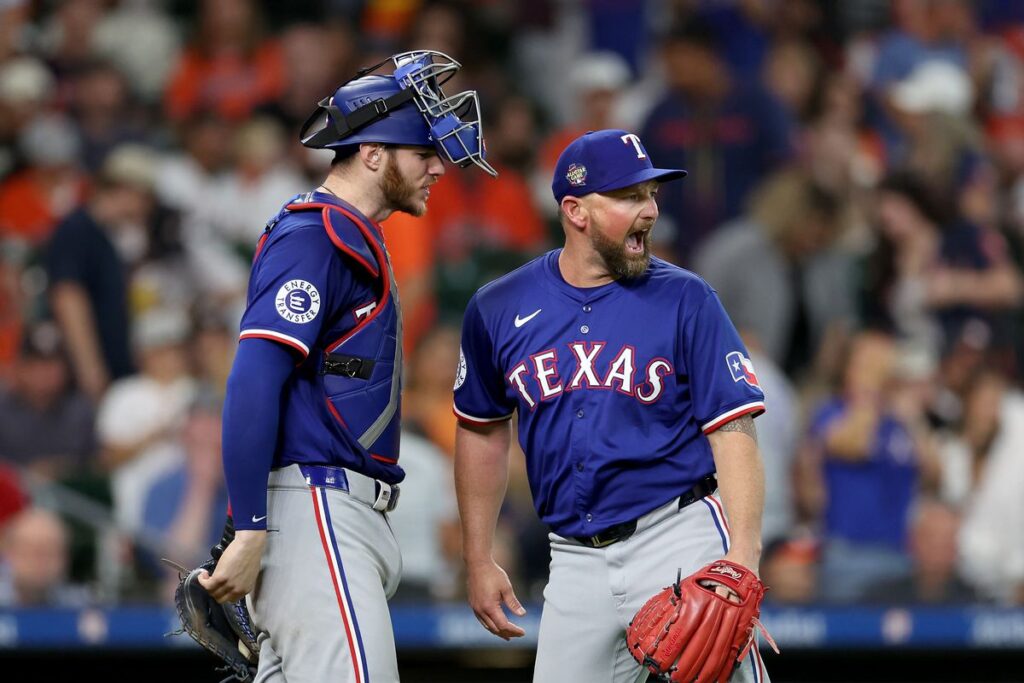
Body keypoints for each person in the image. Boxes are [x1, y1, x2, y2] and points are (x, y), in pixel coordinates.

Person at [198, 50, 495, 682]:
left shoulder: (350, 234)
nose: (438, 168)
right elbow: (253, 378)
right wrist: (248, 524)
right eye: (424, 154)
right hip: (316, 511)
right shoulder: (316, 234)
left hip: (330, 512)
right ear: (373, 152)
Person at [453, 129, 771, 682]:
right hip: (573, 557)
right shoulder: (498, 306)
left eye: (651, 195)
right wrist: (478, 558)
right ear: (575, 211)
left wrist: (742, 556)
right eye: (628, 197)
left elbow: (734, 429)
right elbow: (482, 429)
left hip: (678, 536)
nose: (649, 211)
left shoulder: (687, 298)